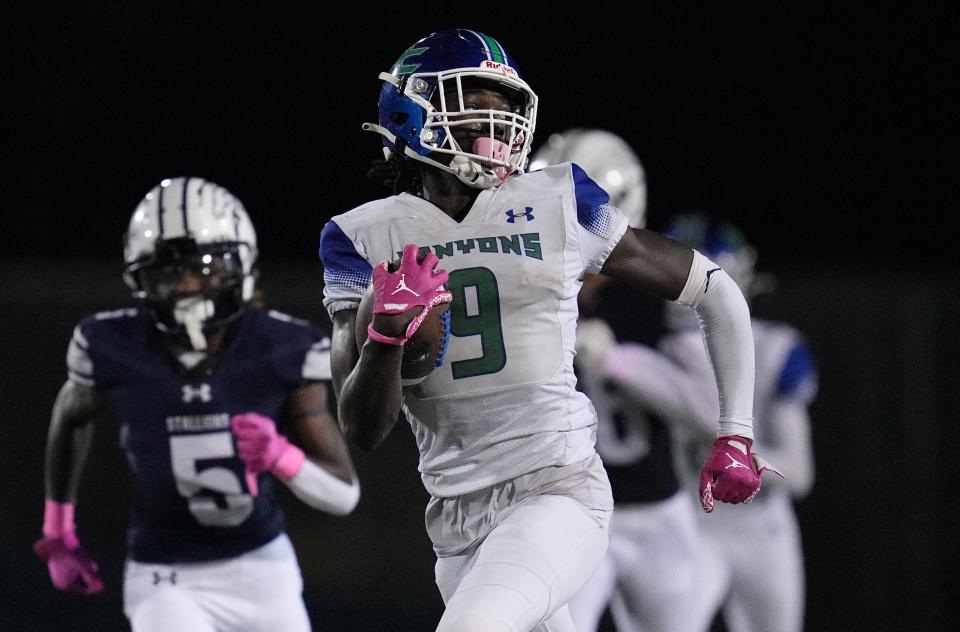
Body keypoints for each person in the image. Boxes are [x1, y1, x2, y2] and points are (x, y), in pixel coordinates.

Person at [319, 29, 773, 632]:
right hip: (457, 522)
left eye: (507, 110)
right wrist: (386, 338)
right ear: (413, 109)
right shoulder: (359, 238)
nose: (500, 124)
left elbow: (716, 290)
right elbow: (361, 427)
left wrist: (735, 433)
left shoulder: (557, 198)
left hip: (556, 491)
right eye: (478, 103)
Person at [34, 177, 360, 632]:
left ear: (239, 263)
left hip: (262, 566)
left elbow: (344, 495)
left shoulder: (283, 347)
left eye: (203, 268)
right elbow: (69, 420)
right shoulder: (112, 344)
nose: (187, 286)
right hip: (165, 574)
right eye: (168, 273)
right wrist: (58, 529)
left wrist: (280, 457)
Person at [530, 130, 719, 632]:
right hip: (570, 514)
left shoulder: (658, 297)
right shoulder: (528, 293)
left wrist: (620, 362)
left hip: (657, 509)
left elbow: (708, 409)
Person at [657, 212, 816, 632]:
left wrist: (730, 443)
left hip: (762, 528)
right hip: (692, 522)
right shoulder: (658, 349)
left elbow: (797, 473)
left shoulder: (774, 349)